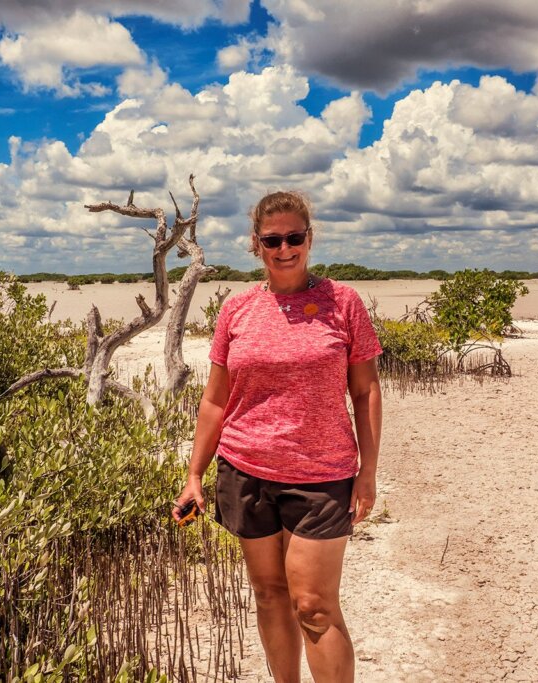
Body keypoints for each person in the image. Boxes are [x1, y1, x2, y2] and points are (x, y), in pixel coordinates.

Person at [173, 190, 383, 682]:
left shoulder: (342, 302)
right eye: (273, 239)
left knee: (314, 606)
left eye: (294, 237)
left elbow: (366, 390)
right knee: (269, 595)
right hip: (245, 470)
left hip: (322, 476)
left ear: (309, 239)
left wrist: (368, 471)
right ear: (256, 244)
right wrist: (194, 474)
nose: (284, 248)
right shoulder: (237, 309)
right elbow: (216, 400)